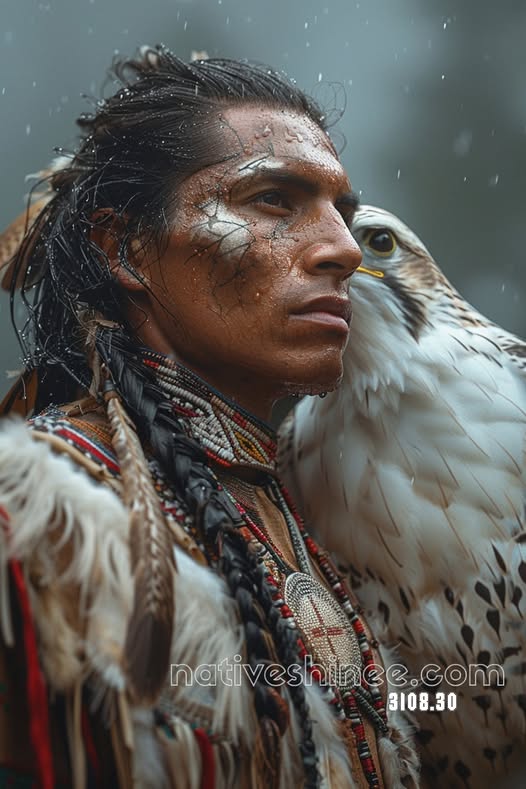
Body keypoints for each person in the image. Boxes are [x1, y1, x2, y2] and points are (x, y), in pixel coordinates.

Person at [0, 46, 419, 788]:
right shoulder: (36, 520)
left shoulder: (326, 517)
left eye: (341, 212)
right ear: (124, 247)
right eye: (273, 200)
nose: (345, 250)